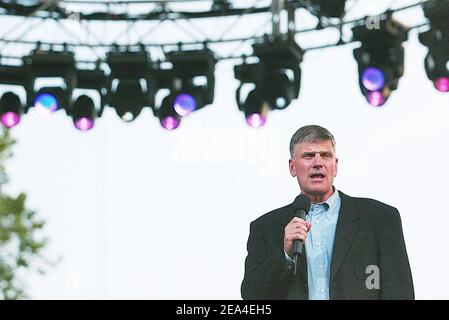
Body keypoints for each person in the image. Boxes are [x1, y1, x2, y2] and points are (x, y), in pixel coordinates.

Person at [241, 125, 414, 300]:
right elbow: (252, 297)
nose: (318, 163)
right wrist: (284, 256)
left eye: (326, 155)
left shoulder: (380, 219)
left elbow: (400, 291)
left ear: (335, 166)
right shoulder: (265, 228)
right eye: (308, 156)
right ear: (292, 167)